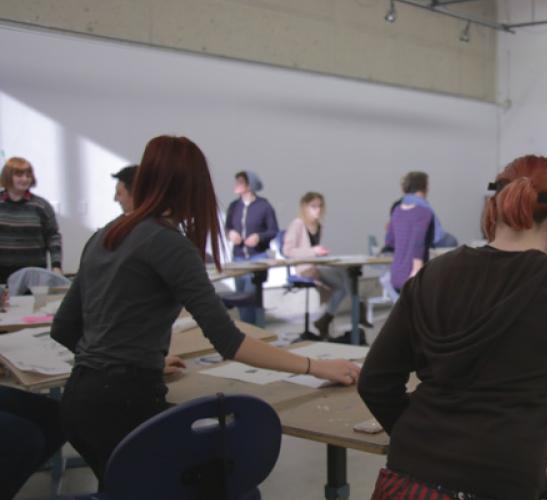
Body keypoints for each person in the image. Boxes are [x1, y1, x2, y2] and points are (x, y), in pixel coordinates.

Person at [51, 136, 360, 487]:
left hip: (79, 403)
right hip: (123, 407)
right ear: (193, 188)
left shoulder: (106, 233)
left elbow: (63, 328)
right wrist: (316, 366)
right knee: (227, 486)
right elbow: (230, 342)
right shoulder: (170, 243)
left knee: (128, 487)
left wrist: (131, 359)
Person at [358, 155, 547, 500]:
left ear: (496, 207)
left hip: (408, 483)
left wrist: (422, 439)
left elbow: (375, 380)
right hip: (503, 484)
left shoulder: (434, 275)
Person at [282, 192, 351, 341]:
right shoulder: (298, 224)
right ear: (305, 207)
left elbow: (313, 251)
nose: (317, 210)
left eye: (320, 206)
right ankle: (330, 317)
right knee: (343, 285)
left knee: (345, 273)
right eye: (313, 206)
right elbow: (288, 250)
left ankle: (327, 318)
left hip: (316, 265)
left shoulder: (319, 226)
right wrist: (313, 251)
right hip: (303, 268)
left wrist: (319, 253)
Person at [224, 170, 278, 326]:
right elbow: (227, 228)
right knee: (241, 297)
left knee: (252, 296)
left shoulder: (264, 206)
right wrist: (231, 234)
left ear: (250, 185)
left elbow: (273, 230)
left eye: (240, 182)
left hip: (257, 257)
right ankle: (247, 332)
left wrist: (258, 237)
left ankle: (257, 332)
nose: (236, 185)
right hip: (238, 257)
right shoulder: (234, 206)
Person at [0, 157, 62, 284]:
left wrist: (56, 265)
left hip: (33, 274)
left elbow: (53, 237)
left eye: (28, 175)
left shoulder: (41, 205)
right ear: (7, 176)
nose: (25, 179)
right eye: (19, 175)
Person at [385, 173, 435, 293]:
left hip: (396, 274)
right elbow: (418, 244)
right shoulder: (424, 212)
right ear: (425, 188)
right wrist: (416, 271)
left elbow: (389, 241)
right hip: (413, 274)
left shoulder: (397, 210)